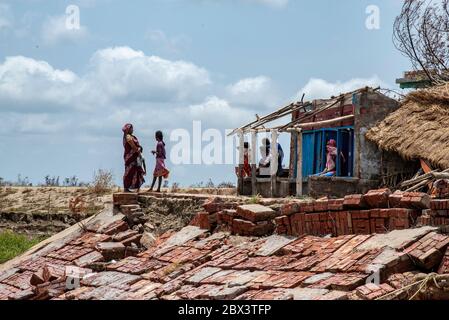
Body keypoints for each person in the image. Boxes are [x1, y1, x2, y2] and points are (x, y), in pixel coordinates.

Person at [122, 123, 145, 193]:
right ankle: (126, 188)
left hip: (134, 156)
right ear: (129, 129)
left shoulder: (130, 136)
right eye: (132, 128)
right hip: (130, 157)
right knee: (129, 171)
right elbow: (133, 146)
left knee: (135, 171)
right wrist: (138, 151)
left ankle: (136, 187)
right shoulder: (128, 137)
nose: (133, 130)